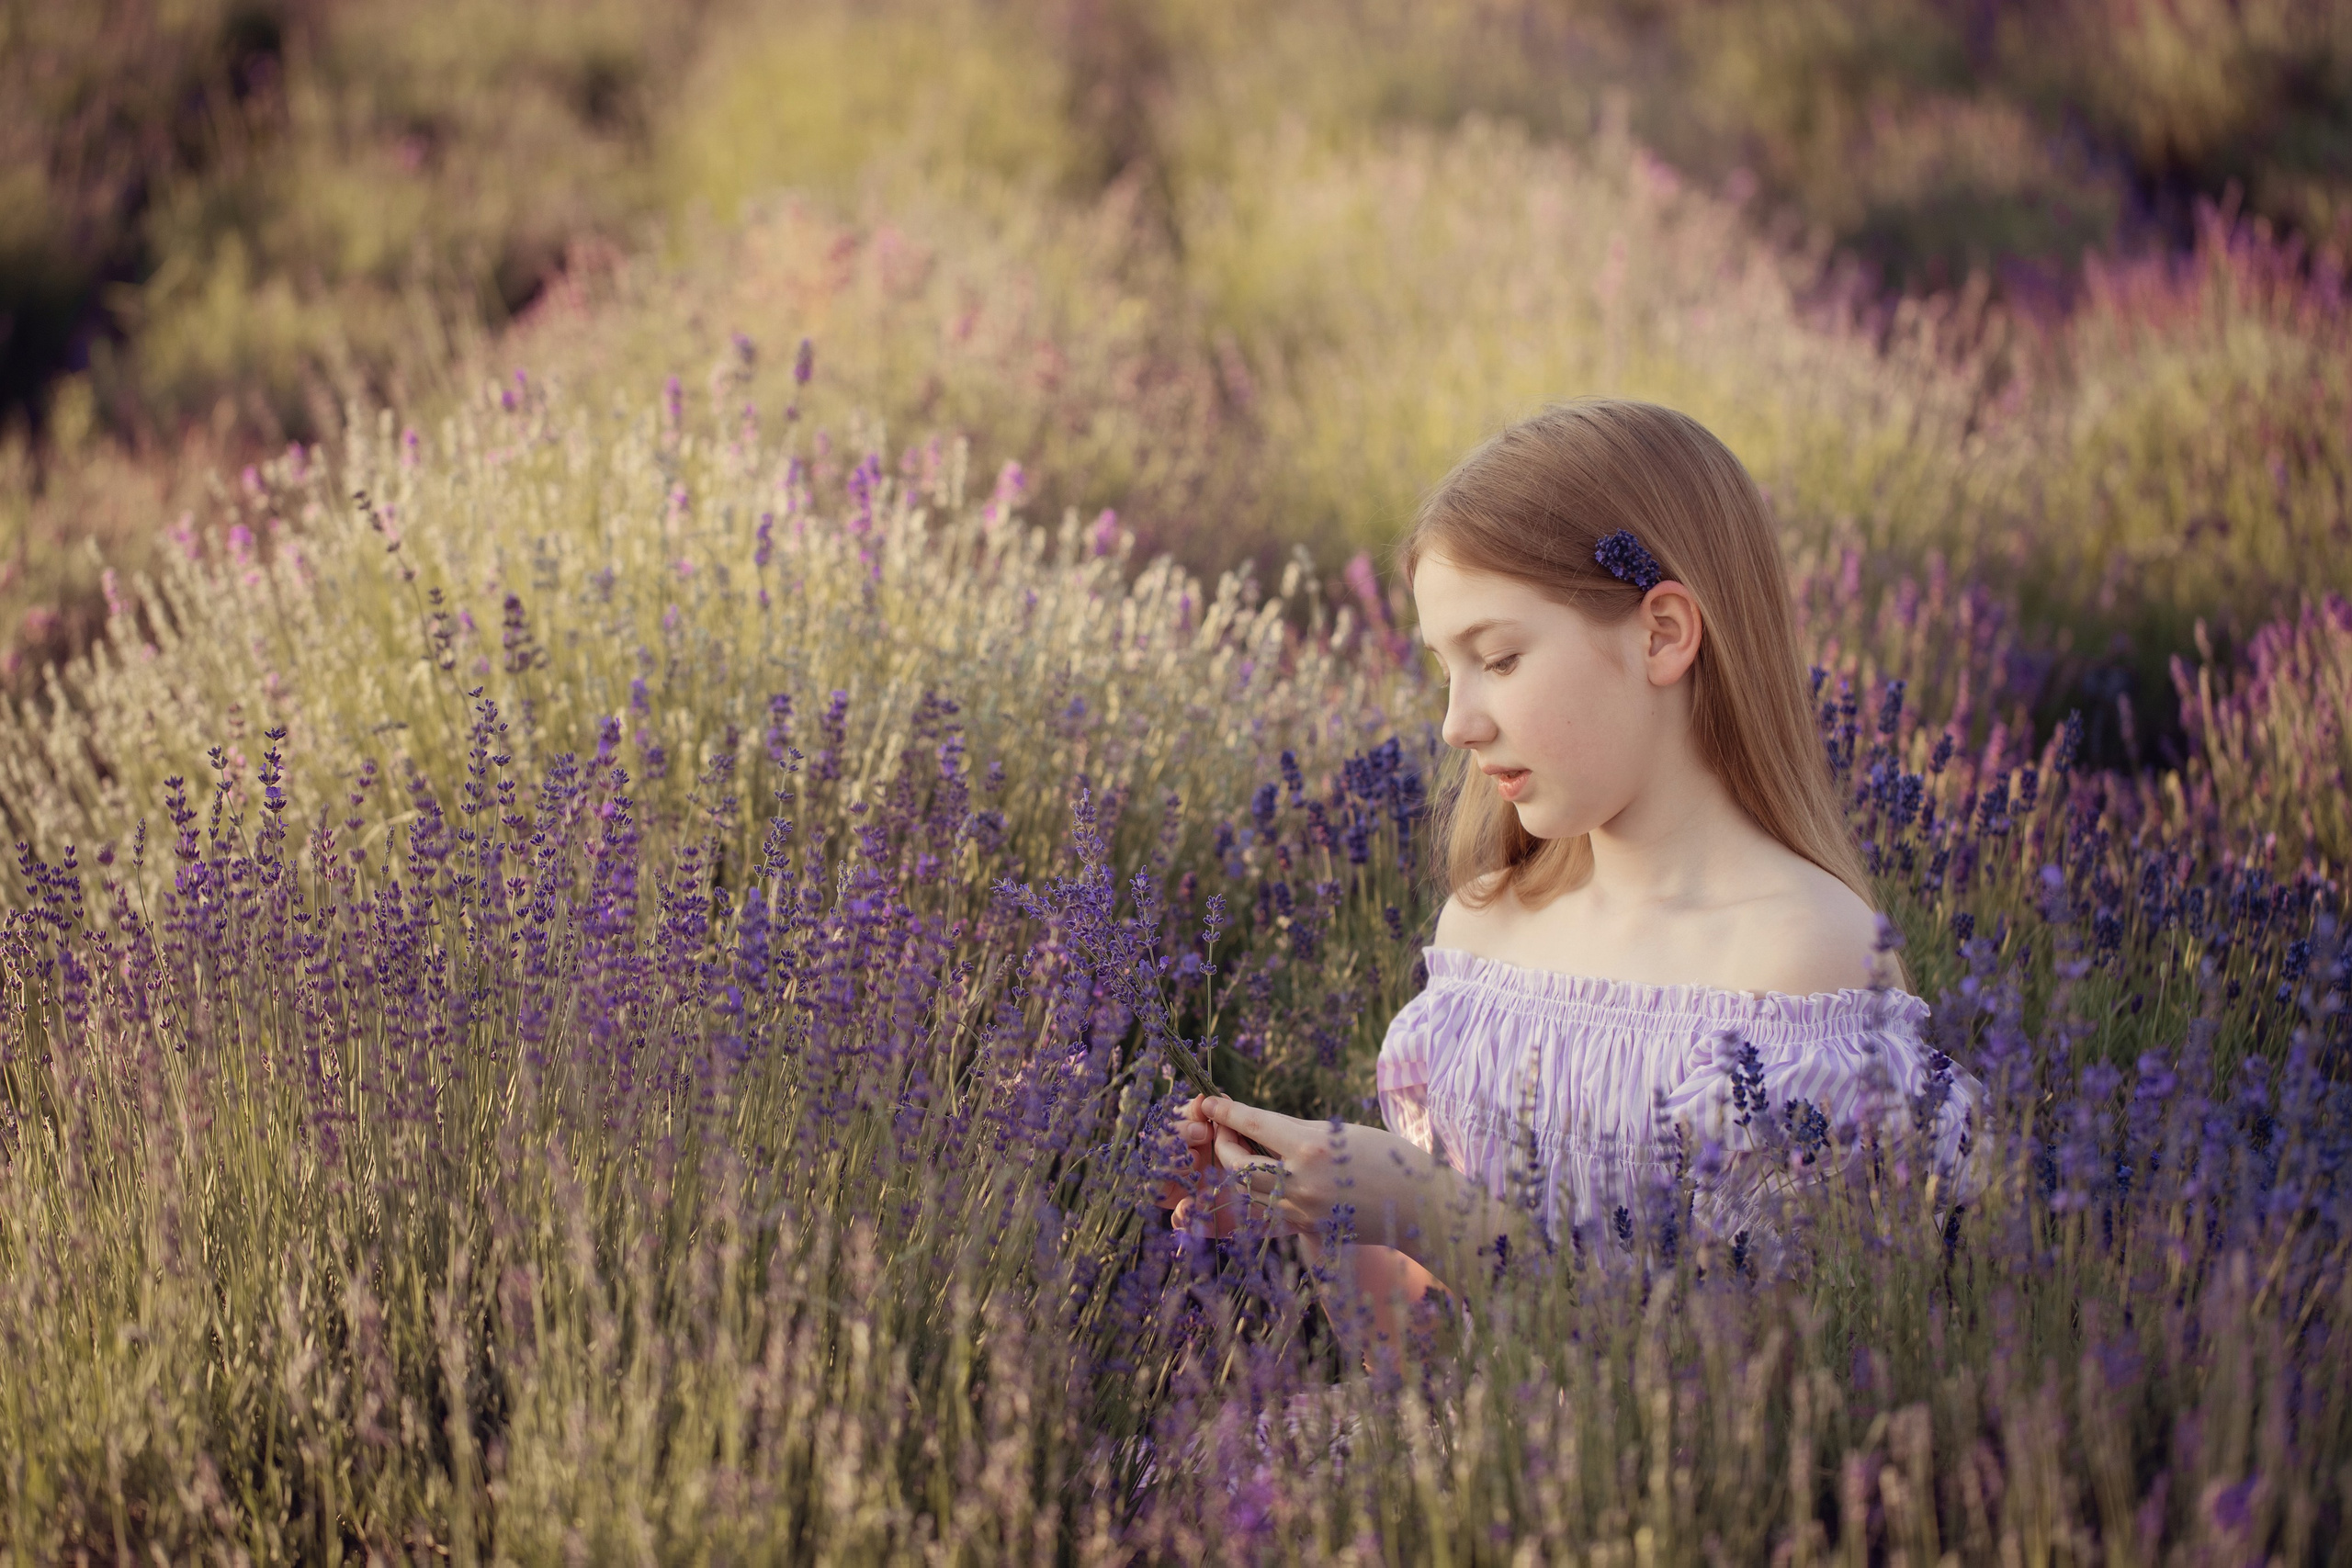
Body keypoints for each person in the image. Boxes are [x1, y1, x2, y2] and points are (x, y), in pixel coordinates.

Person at [1152, 398, 1985, 1353]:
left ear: (1662, 634)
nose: (1455, 724)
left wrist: (1431, 1212)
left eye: (1499, 658)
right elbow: (1414, 1352)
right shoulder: (1483, 932)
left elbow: (1765, 1395)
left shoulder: (1800, 961)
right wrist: (1314, 1200)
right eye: (1443, 670)